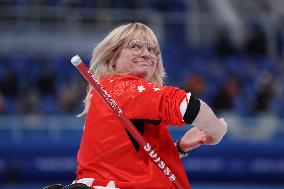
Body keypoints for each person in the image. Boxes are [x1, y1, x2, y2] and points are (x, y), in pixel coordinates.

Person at [45, 22, 227, 189]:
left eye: (153, 50)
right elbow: (189, 106)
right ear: (113, 57)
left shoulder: (112, 93)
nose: (147, 53)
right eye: (135, 46)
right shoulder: (123, 89)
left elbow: (124, 158)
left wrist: (178, 148)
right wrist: (217, 132)